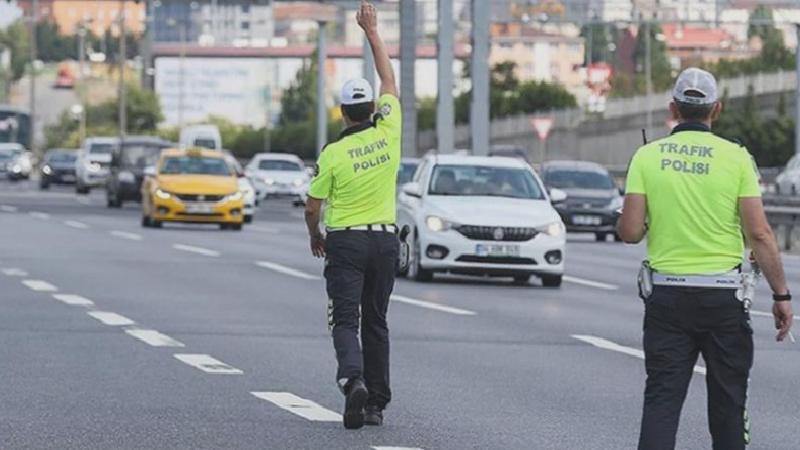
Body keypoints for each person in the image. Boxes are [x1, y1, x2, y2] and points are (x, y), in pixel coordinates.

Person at [618, 67, 793, 450]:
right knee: (728, 405)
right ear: (716, 109)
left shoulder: (647, 156)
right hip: (723, 300)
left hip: (667, 298)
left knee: (662, 401)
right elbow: (760, 234)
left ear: (673, 108)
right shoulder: (737, 158)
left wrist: (644, 219)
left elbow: (629, 232)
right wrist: (781, 295)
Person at [304, 0, 401, 431]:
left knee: (345, 320)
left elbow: (313, 206)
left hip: (345, 242)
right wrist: (372, 31)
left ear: (343, 112)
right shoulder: (390, 132)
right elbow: (389, 77)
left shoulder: (334, 153)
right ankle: (376, 404)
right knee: (376, 321)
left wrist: (315, 235)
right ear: (373, 108)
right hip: (385, 241)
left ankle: (353, 380)